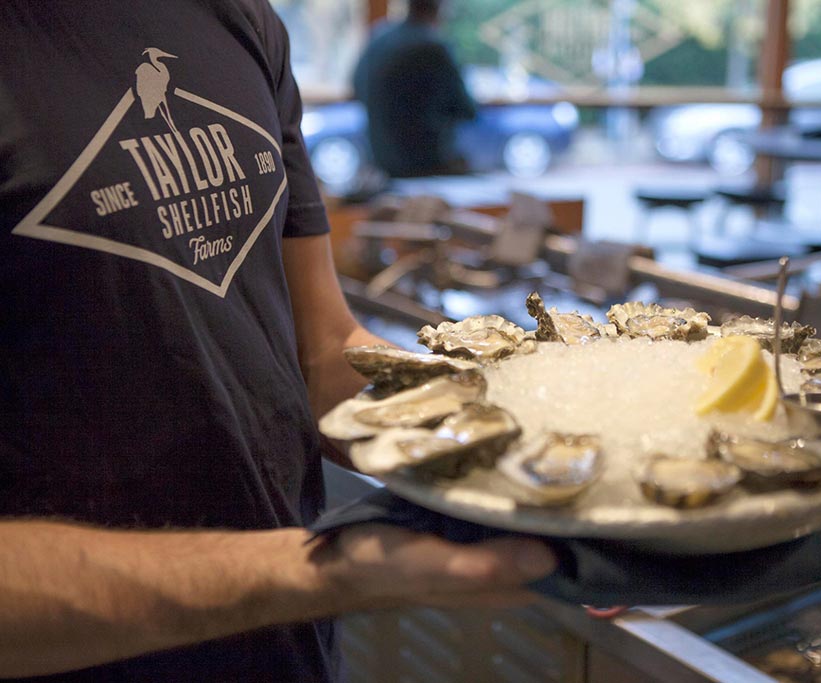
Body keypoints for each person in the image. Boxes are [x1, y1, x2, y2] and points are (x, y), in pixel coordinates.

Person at [0, 2, 554, 681]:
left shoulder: (237, 17)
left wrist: (524, 459)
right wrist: (315, 570)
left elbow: (323, 350)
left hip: (290, 655)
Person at [353, 0, 477, 178]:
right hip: (425, 165)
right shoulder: (432, 47)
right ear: (440, 9)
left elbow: (357, 87)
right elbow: (467, 109)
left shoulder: (379, 37)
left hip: (381, 159)